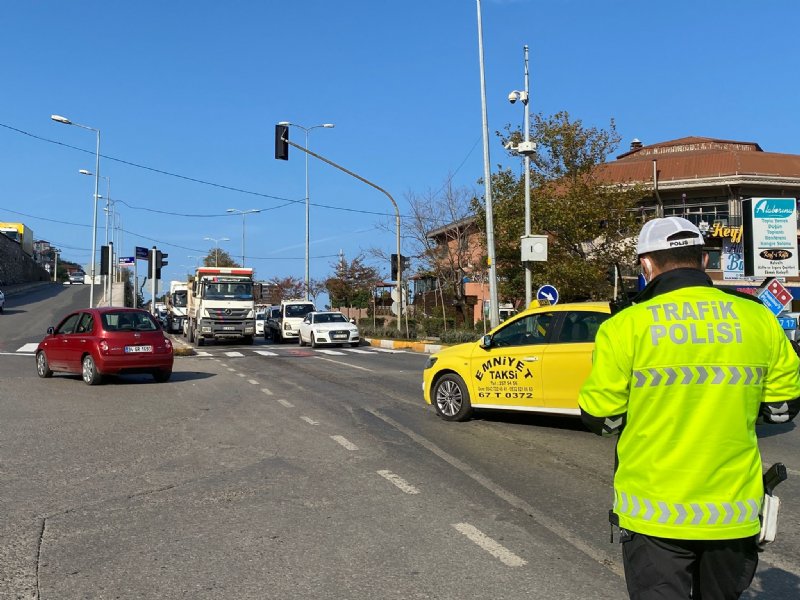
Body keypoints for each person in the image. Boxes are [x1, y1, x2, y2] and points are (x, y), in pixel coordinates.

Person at [578, 216, 800, 599]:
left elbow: (602, 418)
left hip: (654, 514)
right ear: (702, 259)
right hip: (733, 513)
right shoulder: (758, 318)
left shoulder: (626, 325)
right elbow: (782, 408)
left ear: (646, 265)